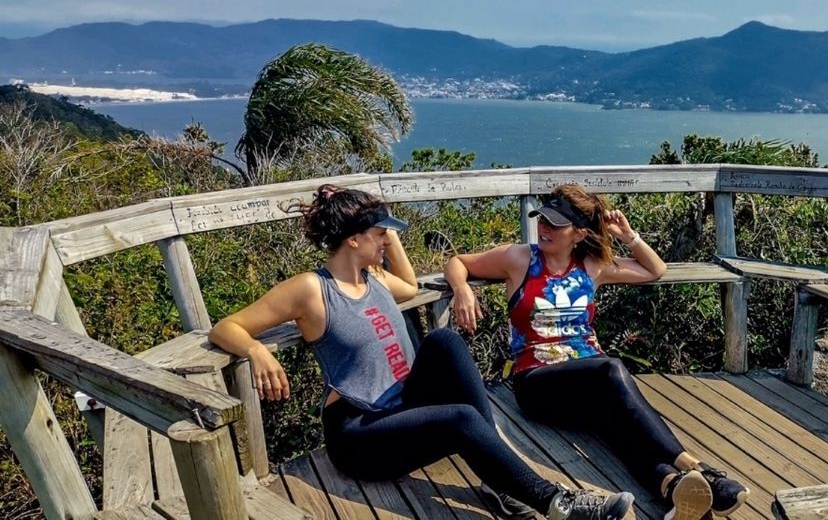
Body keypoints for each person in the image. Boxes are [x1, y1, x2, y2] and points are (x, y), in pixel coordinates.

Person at [208, 184, 635, 520]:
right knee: (461, 417)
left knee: (443, 341)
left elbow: (410, 286)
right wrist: (257, 352)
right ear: (354, 240)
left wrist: (389, 240)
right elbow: (226, 326)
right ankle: (558, 504)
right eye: (379, 234)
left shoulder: (372, 278)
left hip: (398, 406)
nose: (387, 240)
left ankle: (499, 484)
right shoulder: (311, 289)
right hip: (358, 433)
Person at [445, 184, 749, 520]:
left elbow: (655, 270)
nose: (544, 228)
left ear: (578, 234)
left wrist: (628, 235)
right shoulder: (519, 259)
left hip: (588, 381)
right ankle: (699, 467)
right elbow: (457, 262)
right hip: (535, 383)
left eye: (555, 224)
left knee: (620, 427)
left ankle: (673, 486)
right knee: (610, 370)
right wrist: (461, 290)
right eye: (542, 219)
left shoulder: (592, 267)